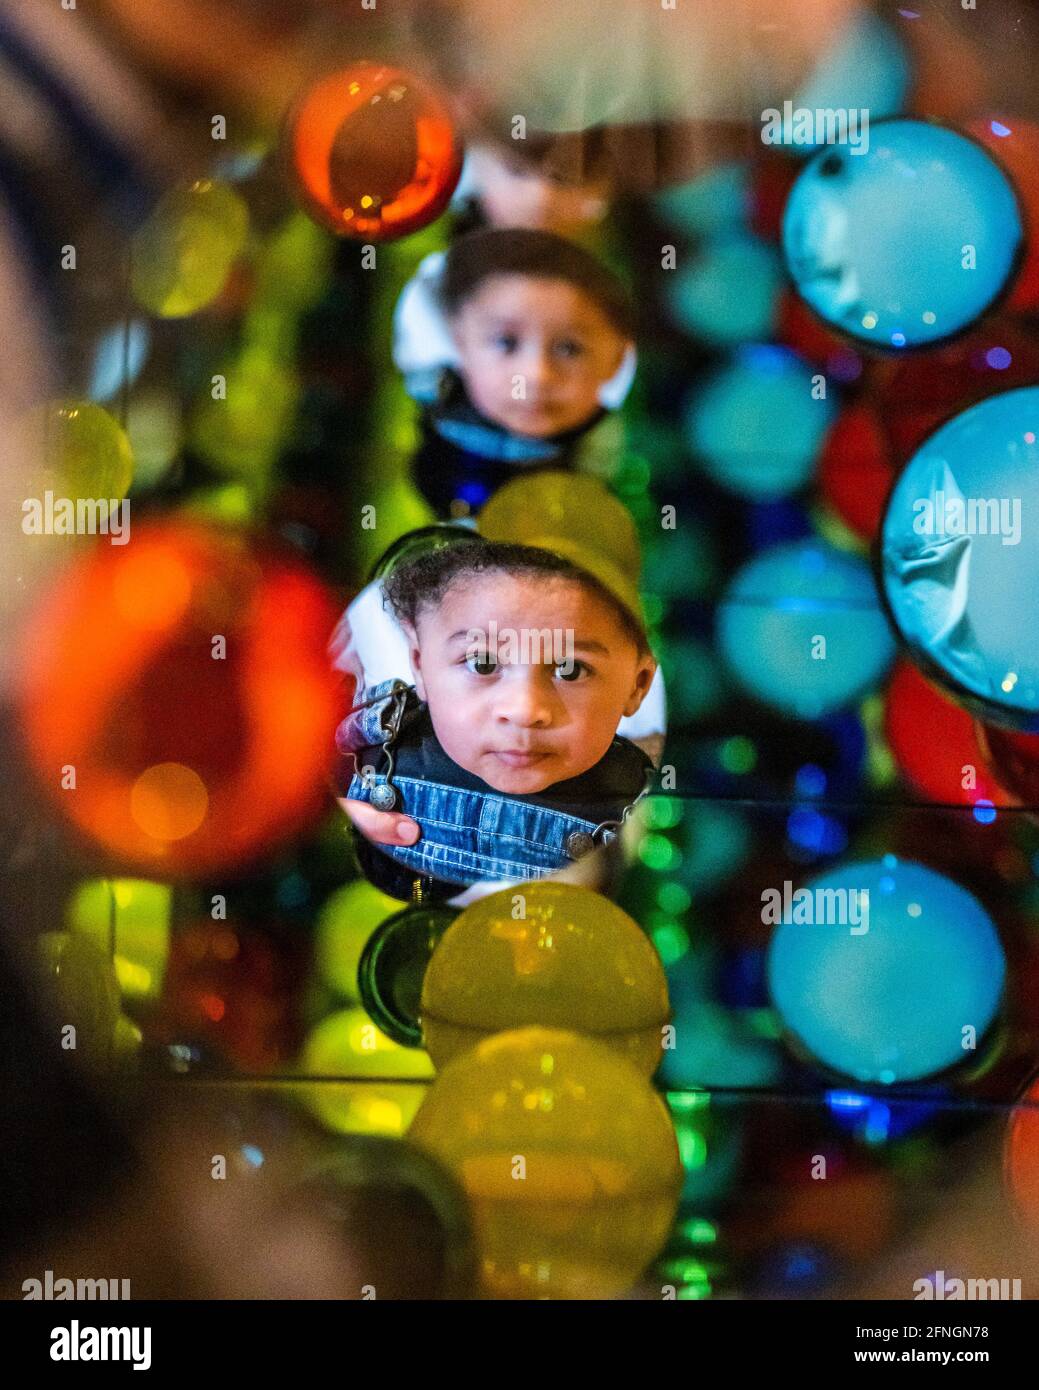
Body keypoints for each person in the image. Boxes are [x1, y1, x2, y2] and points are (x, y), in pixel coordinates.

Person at [337, 539, 657, 900]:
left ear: (637, 685)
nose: (524, 709)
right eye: (482, 663)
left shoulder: (650, 809)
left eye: (570, 669)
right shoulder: (380, 733)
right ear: (420, 666)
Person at [395, 227, 637, 516]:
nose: (535, 375)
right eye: (505, 342)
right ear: (458, 341)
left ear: (614, 358)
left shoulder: (605, 447)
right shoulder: (435, 396)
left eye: (569, 348)